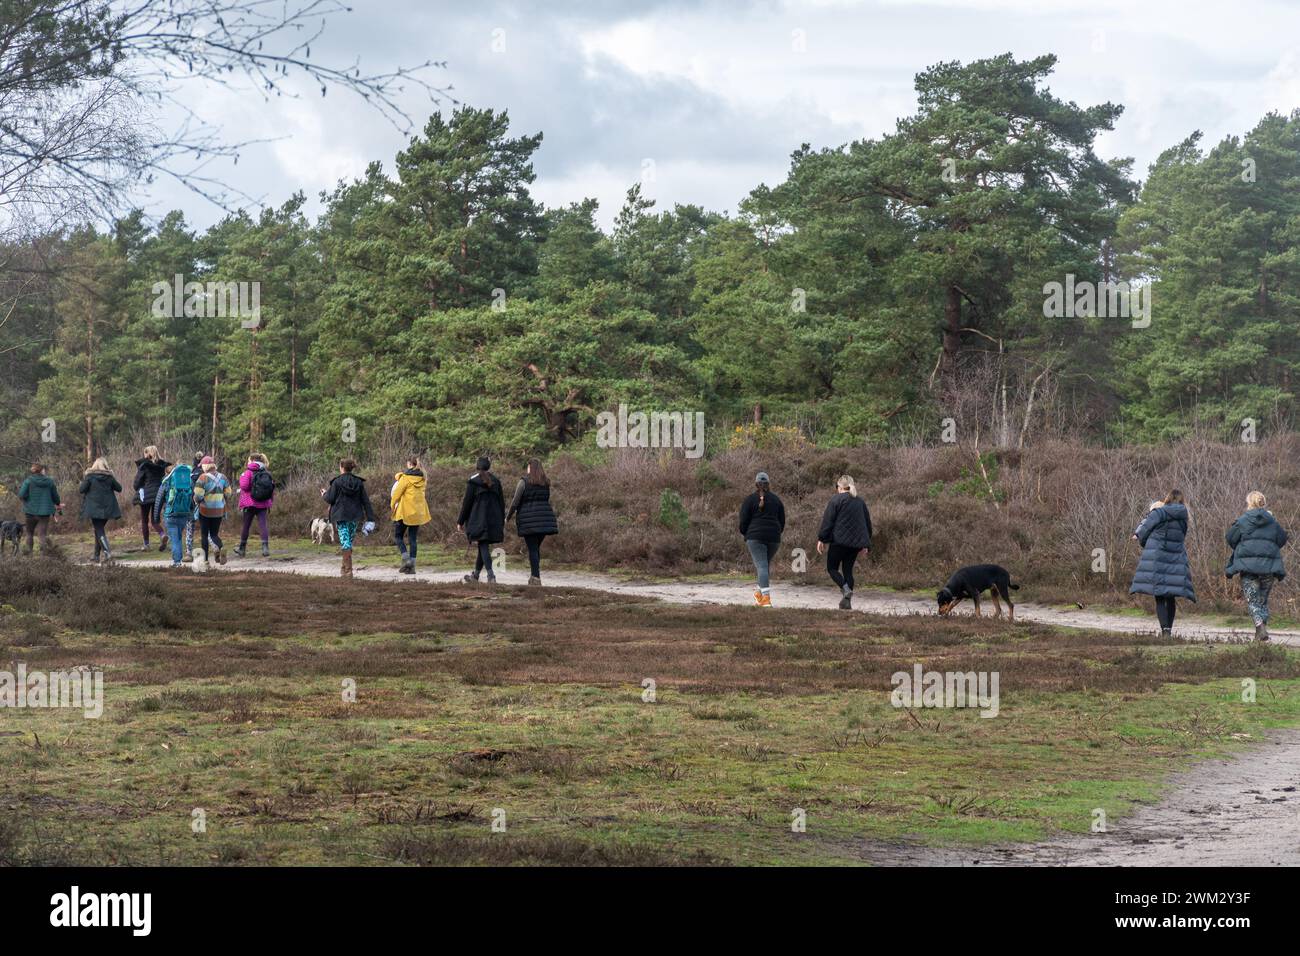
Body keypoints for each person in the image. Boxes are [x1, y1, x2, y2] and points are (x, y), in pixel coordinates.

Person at [1130, 489, 1195, 637]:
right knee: (1170, 595)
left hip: (1157, 555)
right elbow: (1182, 536)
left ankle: (1164, 630)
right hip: (1175, 556)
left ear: (1167, 499)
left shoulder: (1158, 513)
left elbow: (1144, 530)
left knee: (1159, 594)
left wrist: (1145, 543)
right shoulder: (1184, 517)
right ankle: (1169, 630)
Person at [1226, 491, 1288, 642]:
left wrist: (1243, 546)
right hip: (1268, 567)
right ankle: (1260, 634)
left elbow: (1230, 538)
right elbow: (1282, 539)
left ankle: (1260, 628)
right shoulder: (1272, 521)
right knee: (1262, 601)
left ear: (1249, 503)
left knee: (1253, 601)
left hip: (1248, 568)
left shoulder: (1242, 520)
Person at [816, 474, 873, 610]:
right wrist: (866, 544)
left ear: (840, 487)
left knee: (832, 568)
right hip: (854, 545)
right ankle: (846, 602)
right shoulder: (860, 502)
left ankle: (845, 589)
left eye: (837, 486)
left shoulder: (836, 500)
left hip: (838, 542)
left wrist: (822, 539)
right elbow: (867, 524)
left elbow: (828, 521)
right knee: (848, 571)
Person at [506, 458, 559, 586]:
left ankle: (536, 578)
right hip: (545, 519)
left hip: (529, 520)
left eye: (528, 466)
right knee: (535, 548)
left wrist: (508, 517)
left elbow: (515, 502)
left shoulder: (523, 482)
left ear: (530, 468)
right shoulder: (546, 482)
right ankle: (534, 576)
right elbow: (546, 499)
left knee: (533, 549)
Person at [322, 458, 376, 578]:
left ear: (342, 467)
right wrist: (370, 518)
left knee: (345, 542)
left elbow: (330, 499)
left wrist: (324, 494)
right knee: (348, 542)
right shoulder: (359, 482)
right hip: (355, 516)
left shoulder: (337, 482)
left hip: (341, 516)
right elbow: (366, 501)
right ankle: (344, 569)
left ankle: (348, 571)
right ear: (351, 468)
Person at [738, 471, 785, 606]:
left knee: (762, 566)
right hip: (774, 538)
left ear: (755, 484)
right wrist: (776, 533)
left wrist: (746, 534)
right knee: (764, 566)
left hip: (755, 537)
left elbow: (743, 522)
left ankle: (766, 599)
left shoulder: (749, 500)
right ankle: (759, 593)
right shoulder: (777, 500)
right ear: (769, 484)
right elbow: (782, 521)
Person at [457, 456, 504, 584]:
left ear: (477, 467)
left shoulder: (473, 482)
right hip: (494, 519)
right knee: (483, 545)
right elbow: (502, 503)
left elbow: (467, 503)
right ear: (489, 467)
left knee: (483, 544)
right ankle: (476, 576)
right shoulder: (496, 481)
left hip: (478, 519)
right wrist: (502, 520)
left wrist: (460, 521)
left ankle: (491, 575)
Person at [390, 456, 431, 575]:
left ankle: (406, 559)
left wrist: (392, 505)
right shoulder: (423, 478)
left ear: (409, 464)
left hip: (404, 512)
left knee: (398, 536)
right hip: (417, 513)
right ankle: (411, 567)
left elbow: (396, 495)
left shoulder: (405, 478)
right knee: (413, 539)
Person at [151, 460, 195, 568]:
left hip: (170, 515)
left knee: (175, 539)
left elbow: (159, 500)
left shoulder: (166, 481)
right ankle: (178, 560)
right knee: (178, 536)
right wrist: (191, 513)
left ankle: (177, 562)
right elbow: (192, 498)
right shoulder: (188, 481)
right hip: (184, 514)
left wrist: (155, 518)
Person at [78, 458, 122, 564]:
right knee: (98, 530)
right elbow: (119, 488)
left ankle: (107, 553)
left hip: (94, 508)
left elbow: (81, 490)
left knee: (99, 529)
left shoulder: (90, 477)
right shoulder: (109, 478)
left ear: (94, 466)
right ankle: (96, 556)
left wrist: (86, 480)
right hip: (107, 508)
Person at [235, 452, 274, 557]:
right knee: (263, 525)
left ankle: (242, 549)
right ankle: (265, 549)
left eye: (248, 460)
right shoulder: (266, 472)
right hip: (263, 503)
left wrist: (243, 478)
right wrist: (270, 502)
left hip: (249, 503)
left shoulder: (248, 472)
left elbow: (244, 486)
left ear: (252, 460)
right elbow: (271, 488)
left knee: (246, 526)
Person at [132, 446, 170, 551]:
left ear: (147, 454)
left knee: (144, 520)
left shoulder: (144, 465)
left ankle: (146, 545)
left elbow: (136, 483)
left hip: (146, 495)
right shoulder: (162, 465)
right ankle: (162, 535)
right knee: (155, 520)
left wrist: (137, 487)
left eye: (145, 453)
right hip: (159, 494)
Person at [194, 457, 231, 566]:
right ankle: (221, 547)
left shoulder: (202, 478)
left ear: (205, 466)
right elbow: (228, 493)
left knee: (204, 535)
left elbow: (198, 496)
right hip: (219, 510)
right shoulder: (223, 477)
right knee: (214, 534)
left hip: (205, 510)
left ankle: (205, 561)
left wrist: (196, 500)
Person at [18, 463, 62, 554]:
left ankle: (29, 554)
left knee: (29, 533)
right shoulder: (50, 481)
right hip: (44, 513)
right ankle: (44, 557)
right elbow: (56, 497)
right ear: (42, 470)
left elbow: (21, 495)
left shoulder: (28, 481)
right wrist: (57, 504)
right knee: (42, 534)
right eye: (44, 469)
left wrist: (27, 501)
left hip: (30, 511)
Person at [182, 451, 205, 562]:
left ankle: (188, 552)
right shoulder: (205, 474)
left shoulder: (190, 473)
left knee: (190, 528)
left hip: (191, 504)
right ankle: (214, 548)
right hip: (205, 504)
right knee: (207, 528)